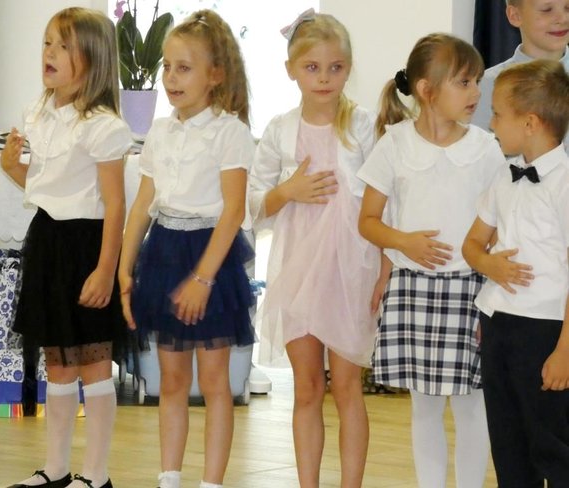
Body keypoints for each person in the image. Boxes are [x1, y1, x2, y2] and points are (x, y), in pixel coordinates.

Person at [357, 33, 506, 488]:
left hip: (471, 289)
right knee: (424, 406)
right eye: (464, 82)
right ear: (426, 89)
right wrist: (404, 242)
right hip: (413, 287)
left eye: (476, 81)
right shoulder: (394, 144)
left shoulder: (486, 148)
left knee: (472, 405)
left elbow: (502, 225)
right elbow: (368, 221)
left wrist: (494, 293)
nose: (476, 92)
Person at [118, 10, 255, 488]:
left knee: (215, 383)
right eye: (167, 67)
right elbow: (142, 205)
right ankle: (169, 477)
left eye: (184, 68)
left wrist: (202, 279)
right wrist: (125, 269)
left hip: (210, 255)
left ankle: (211, 482)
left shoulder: (230, 132)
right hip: (163, 251)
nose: (171, 78)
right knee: (171, 381)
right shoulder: (159, 132)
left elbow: (233, 211)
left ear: (214, 75)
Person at [0, 7, 132, 488]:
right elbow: (46, 187)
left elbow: (114, 204)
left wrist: (105, 269)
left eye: (63, 45)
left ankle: (96, 474)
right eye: (47, 43)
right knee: (57, 363)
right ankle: (56, 469)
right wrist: (12, 168)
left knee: (93, 363)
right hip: (48, 242)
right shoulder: (39, 114)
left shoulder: (103, 125)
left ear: (92, 59)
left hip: (87, 246)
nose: (49, 53)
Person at [248, 9, 379, 488]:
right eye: (312, 67)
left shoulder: (362, 127)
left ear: (348, 68)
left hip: (350, 273)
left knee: (346, 386)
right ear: (291, 70)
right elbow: (253, 204)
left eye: (335, 67)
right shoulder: (280, 130)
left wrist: (385, 269)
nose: (324, 78)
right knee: (306, 388)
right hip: (298, 273)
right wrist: (288, 191)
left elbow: (384, 202)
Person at [462, 59, 569, 487]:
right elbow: (472, 243)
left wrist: (565, 350)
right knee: (507, 444)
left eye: (498, 114)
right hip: (499, 323)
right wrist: (488, 264)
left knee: (553, 445)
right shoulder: (503, 177)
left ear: (529, 123)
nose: (491, 123)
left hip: (547, 330)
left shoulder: (564, 184)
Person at [473, 0, 568, 152]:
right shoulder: (486, 87)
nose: (563, 18)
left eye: (568, 8)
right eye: (547, 9)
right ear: (515, 15)